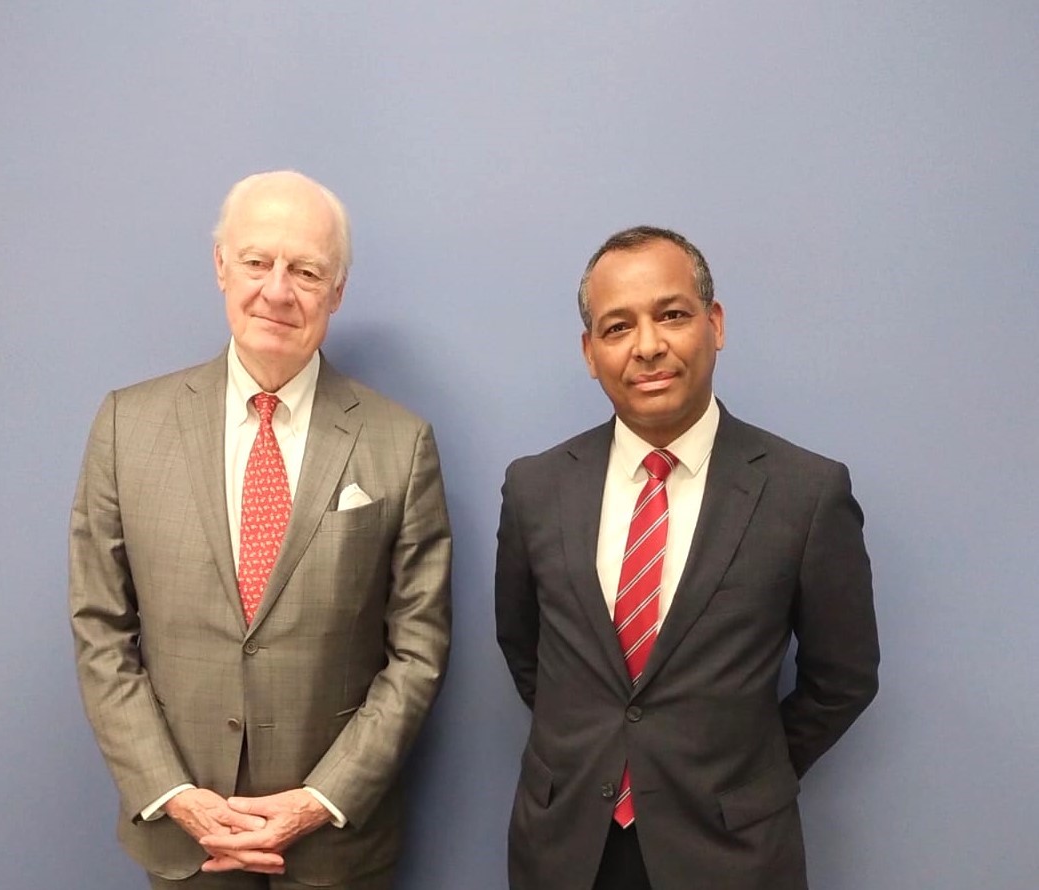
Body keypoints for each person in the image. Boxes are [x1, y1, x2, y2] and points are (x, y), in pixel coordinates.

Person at [70, 170, 452, 890]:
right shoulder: (127, 425)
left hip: (335, 845)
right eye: (256, 262)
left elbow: (418, 650)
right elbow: (100, 631)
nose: (277, 290)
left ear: (336, 291)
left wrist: (320, 799)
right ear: (220, 265)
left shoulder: (399, 443)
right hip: (186, 836)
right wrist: (174, 794)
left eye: (306, 270)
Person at [495, 226, 879, 890]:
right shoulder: (535, 488)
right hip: (564, 850)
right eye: (617, 328)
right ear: (590, 353)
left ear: (714, 323)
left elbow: (842, 677)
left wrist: (746, 772)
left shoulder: (805, 492)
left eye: (670, 314)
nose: (647, 346)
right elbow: (525, 649)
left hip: (730, 851)